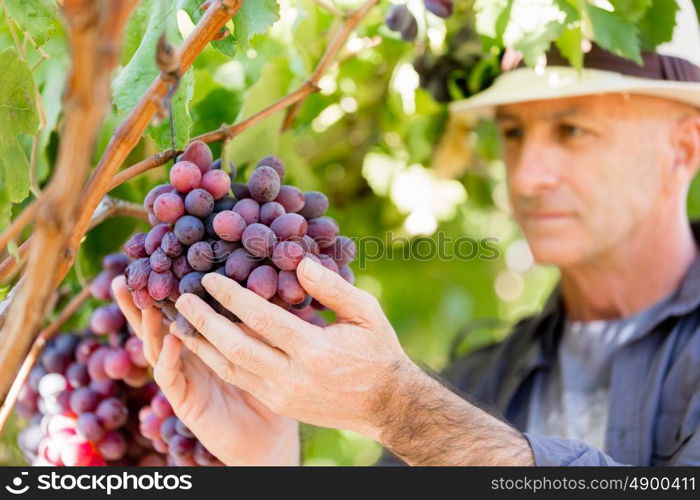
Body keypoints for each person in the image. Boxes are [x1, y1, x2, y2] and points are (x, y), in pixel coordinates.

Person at [112, 1, 700, 466]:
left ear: (682, 150)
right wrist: (269, 461)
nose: (528, 174)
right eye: (514, 133)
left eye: (573, 130)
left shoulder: (434, 410)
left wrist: (397, 408)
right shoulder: (477, 381)